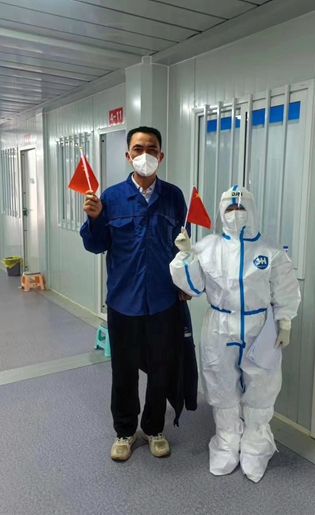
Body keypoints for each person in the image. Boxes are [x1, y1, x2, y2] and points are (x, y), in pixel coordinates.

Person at [169, 185, 301, 482]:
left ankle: (256, 446)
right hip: (220, 324)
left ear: (252, 211)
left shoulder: (269, 250)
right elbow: (193, 287)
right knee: (220, 383)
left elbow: (285, 287)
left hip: (260, 326)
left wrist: (285, 322)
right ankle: (226, 442)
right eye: (230, 208)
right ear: (221, 212)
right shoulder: (208, 246)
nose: (236, 213)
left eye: (241, 207)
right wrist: (185, 256)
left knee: (262, 384)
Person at [81, 126, 195, 462]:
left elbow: (183, 246)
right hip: (123, 300)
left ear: (161, 155)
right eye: (138, 148)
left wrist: (186, 282)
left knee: (161, 368)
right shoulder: (111, 198)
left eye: (152, 149)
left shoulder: (173, 197)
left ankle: (154, 428)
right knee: (124, 370)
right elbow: (96, 245)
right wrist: (94, 219)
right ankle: (125, 431)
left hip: (163, 300)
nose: (145, 154)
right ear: (128, 155)